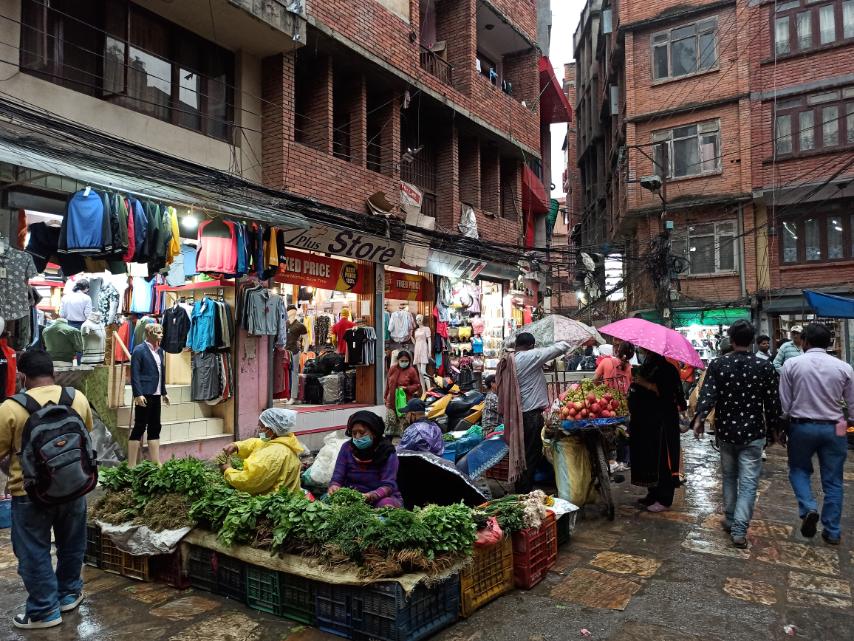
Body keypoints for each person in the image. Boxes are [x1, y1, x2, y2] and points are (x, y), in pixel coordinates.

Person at [0, 350, 93, 629]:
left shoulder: (10, 408)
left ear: (23, 377)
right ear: (53, 372)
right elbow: (85, 437)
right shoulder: (77, 398)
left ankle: (44, 611)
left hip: (29, 494)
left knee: (34, 551)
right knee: (72, 543)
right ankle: (68, 594)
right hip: (75, 486)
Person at [692, 321, 781, 549]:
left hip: (727, 432)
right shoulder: (764, 367)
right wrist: (775, 430)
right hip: (753, 432)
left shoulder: (719, 364)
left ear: (731, 339)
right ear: (752, 341)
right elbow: (772, 403)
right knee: (749, 483)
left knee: (730, 477)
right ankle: (739, 528)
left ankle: (731, 519)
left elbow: (708, 395)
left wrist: (700, 420)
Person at [779, 323, 852, 545]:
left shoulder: (792, 364)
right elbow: (852, 404)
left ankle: (808, 507)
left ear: (804, 341)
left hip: (802, 426)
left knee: (799, 470)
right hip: (835, 427)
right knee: (834, 481)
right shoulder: (844, 367)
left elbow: (785, 403)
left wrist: (784, 426)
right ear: (829, 342)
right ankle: (832, 530)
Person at [628, 348, 686, 512]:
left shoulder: (667, 369)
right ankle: (652, 493)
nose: (640, 349)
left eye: (643, 348)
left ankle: (664, 498)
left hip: (662, 423)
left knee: (663, 460)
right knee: (649, 458)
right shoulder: (647, 364)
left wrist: (643, 383)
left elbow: (666, 393)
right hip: (646, 422)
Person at [512, 333, 571, 493]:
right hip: (530, 415)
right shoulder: (528, 356)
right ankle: (524, 494)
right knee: (531, 456)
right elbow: (560, 347)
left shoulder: (514, 358)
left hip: (519, 415)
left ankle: (522, 489)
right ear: (531, 345)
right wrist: (567, 340)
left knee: (524, 455)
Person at [329, 410, 403, 507]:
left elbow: (388, 485)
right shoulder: (346, 448)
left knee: (387, 507)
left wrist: (371, 496)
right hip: (351, 497)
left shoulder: (386, 452)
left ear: (374, 433)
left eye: (362, 432)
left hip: (380, 497)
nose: (357, 437)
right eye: (354, 433)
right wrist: (334, 486)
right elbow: (337, 477)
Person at [221, 408, 303, 495]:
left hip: (273, 502)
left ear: (272, 429)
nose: (259, 429)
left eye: (261, 427)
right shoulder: (284, 440)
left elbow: (249, 481)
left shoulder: (272, 454)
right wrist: (237, 446)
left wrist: (227, 471)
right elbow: (256, 443)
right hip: (289, 496)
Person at [129, 323, 169, 467]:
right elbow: (135, 374)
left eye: (161, 332)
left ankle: (155, 461)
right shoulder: (139, 350)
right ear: (149, 334)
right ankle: (131, 464)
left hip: (156, 393)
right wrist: (137, 394)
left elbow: (161, 373)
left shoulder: (160, 351)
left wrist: (163, 392)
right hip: (144, 394)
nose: (161, 335)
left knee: (155, 426)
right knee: (139, 426)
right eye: (158, 333)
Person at [383, 350, 422, 436]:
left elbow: (417, 384)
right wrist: (385, 397)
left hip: (404, 402)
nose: (404, 363)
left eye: (406, 361)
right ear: (398, 360)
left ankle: (404, 444)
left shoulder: (412, 370)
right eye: (402, 361)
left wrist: (407, 388)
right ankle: (389, 444)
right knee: (390, 424)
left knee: (404, 424)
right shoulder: (392, 369)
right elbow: (387, 385)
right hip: (391, 401)